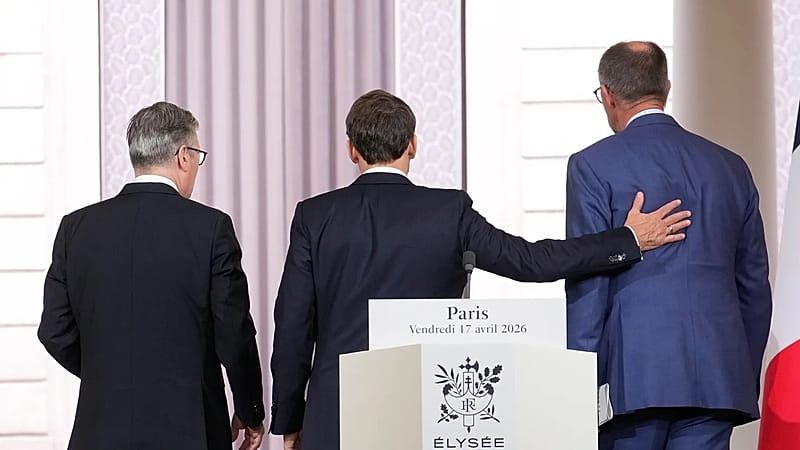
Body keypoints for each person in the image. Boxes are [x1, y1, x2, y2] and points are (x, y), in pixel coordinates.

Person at [270, 89, 691, 450]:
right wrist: (626, 240)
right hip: (427, 411)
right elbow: (531, 261)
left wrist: (289, 418)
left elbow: (292, 326)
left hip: (335, 416)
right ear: (413, 144)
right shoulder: (447, 211)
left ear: (351, 149)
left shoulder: (314, 217)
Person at [565, 41, 772, 450]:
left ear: (608, 94)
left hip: (632, 380)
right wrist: (737, 374)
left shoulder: (591, 165)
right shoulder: (731, 166)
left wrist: (578, 384)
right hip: (717, 379)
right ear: (666, 87)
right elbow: (754, 286)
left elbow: (589, 285)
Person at [38, 102, 266, 450]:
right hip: (191, 431)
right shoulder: (210, 228)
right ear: (184, 156)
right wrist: (250, 410)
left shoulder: (76, 229)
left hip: (100, 432)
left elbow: (54, 330)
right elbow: (234, 333)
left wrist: (109, 376)